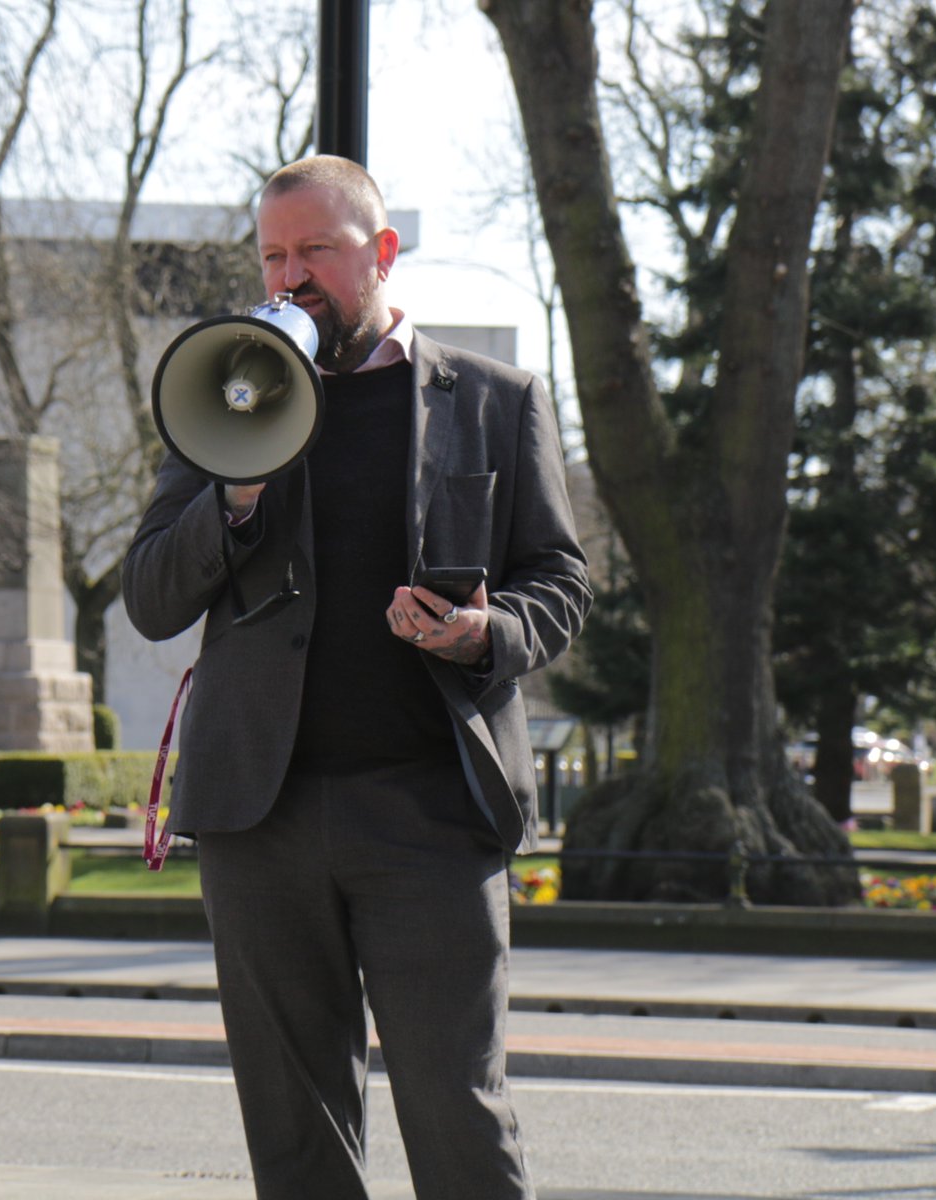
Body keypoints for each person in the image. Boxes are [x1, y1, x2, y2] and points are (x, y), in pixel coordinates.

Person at [122, 155, 591, 1200]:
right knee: (296, 1138)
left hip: (430, 811)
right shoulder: (222, 396)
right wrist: (232, 497)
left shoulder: (494, 402)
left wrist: (482, 631)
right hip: (260, 818)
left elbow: (560, 581)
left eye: (316, 252)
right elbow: (151, 595)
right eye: (273, 255)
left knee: (457, 1115)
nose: (290, 279)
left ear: (379, 254)